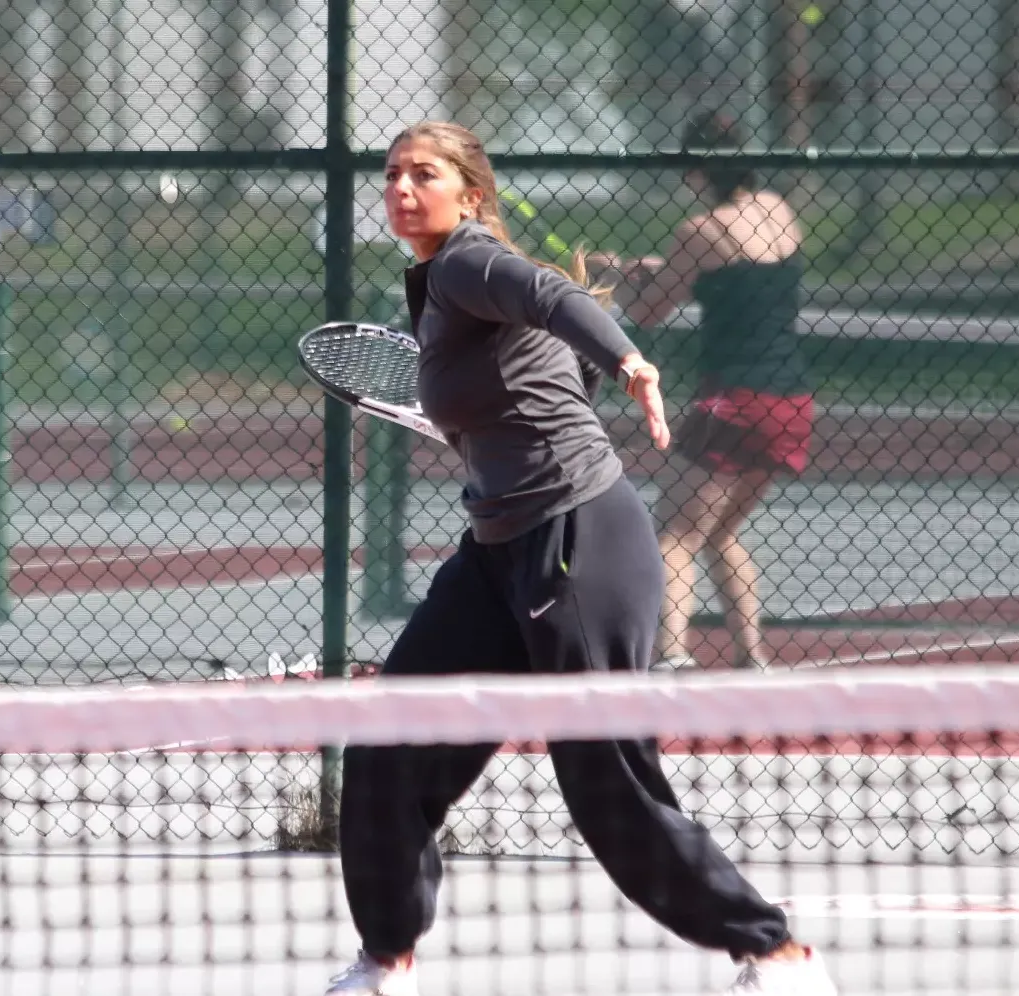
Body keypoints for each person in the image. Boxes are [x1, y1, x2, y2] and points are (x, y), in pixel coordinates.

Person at [325, 120, 837, 996]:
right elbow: (540, 373)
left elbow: (554, 300)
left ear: (469, 193)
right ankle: (386, 963)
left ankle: (774, 953)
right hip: (494, 552)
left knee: (605, 780)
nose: (401, 189)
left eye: (424, 174)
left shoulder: (467, 263)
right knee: (388, 744)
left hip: (575, 541)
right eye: (391, 175)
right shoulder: (440, 286)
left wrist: (628, 359)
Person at [594, 110, 816, 673]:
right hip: (792, 401)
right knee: (719, 529)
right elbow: (736, 275)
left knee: (674, 533)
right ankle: (752, 655)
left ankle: (672, 656)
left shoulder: (701, 230)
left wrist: (615, 277)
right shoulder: (778, 210)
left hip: (737, 399)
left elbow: (648, 308)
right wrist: (649, 268)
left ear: (696, 171)